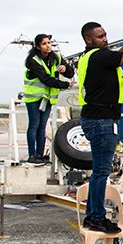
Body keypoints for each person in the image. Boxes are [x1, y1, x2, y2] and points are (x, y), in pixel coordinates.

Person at [77, 20, 123, 234]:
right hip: (102, 120)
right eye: (100, 36)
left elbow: (121, 53)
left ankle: (93, 215)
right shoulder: (100, 56)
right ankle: (96, 217)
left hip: (93, 118)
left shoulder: (90, 57)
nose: (106, 39)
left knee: (99, 172)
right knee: (101, 172)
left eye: (105, 34)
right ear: (88, 39)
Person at [22, 33, 74, 164]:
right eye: (44, 44)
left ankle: (39, 155)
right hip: (34, 98)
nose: (48, 46)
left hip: (47, 98)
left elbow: (70, 73)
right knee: (34, 124)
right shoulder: (33, 60)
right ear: (38, 47)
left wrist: (65, 68)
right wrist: (65, 85)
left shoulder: (55, 57)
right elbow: (45, 79)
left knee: (42, 126)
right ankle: (32, 155)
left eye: (49, 43)